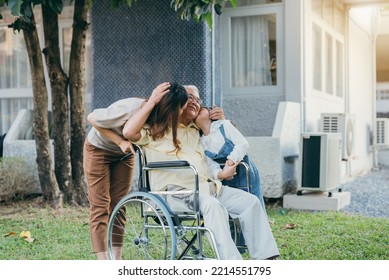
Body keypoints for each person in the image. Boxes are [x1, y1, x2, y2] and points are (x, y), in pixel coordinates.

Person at [123, 83, 280, 260]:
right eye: (189, 97)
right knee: (212, 206)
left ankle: (266, 259)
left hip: (209, 189)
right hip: (176, 194)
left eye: (198, 100)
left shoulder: (195, 130)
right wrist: (153, 100)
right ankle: (233, 265)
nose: (195, 102)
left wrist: (221, 119)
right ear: (178, 102)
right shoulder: (156, 129)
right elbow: (128, 131)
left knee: (250, 202)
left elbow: (226, 140)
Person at [83, 82, 171, 260]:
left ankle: (117, 259)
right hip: (98, 149)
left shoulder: (162, 117)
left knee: (120, 204)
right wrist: (120, 141)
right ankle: (103, 262)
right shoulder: (129, 108)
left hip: (124, 155)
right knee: (100, 206)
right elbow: (92, 118)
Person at [194, 106, 266, 210]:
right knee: (233, 206)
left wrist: (230, 162)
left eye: (202, 108)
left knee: (253, 198)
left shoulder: (224, 126)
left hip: (243, 171)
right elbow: (210, 164)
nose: (199, 109)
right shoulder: (201, 142)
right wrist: (221, 174)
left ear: (211, 114)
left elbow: (243, 144)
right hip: (225, 178)